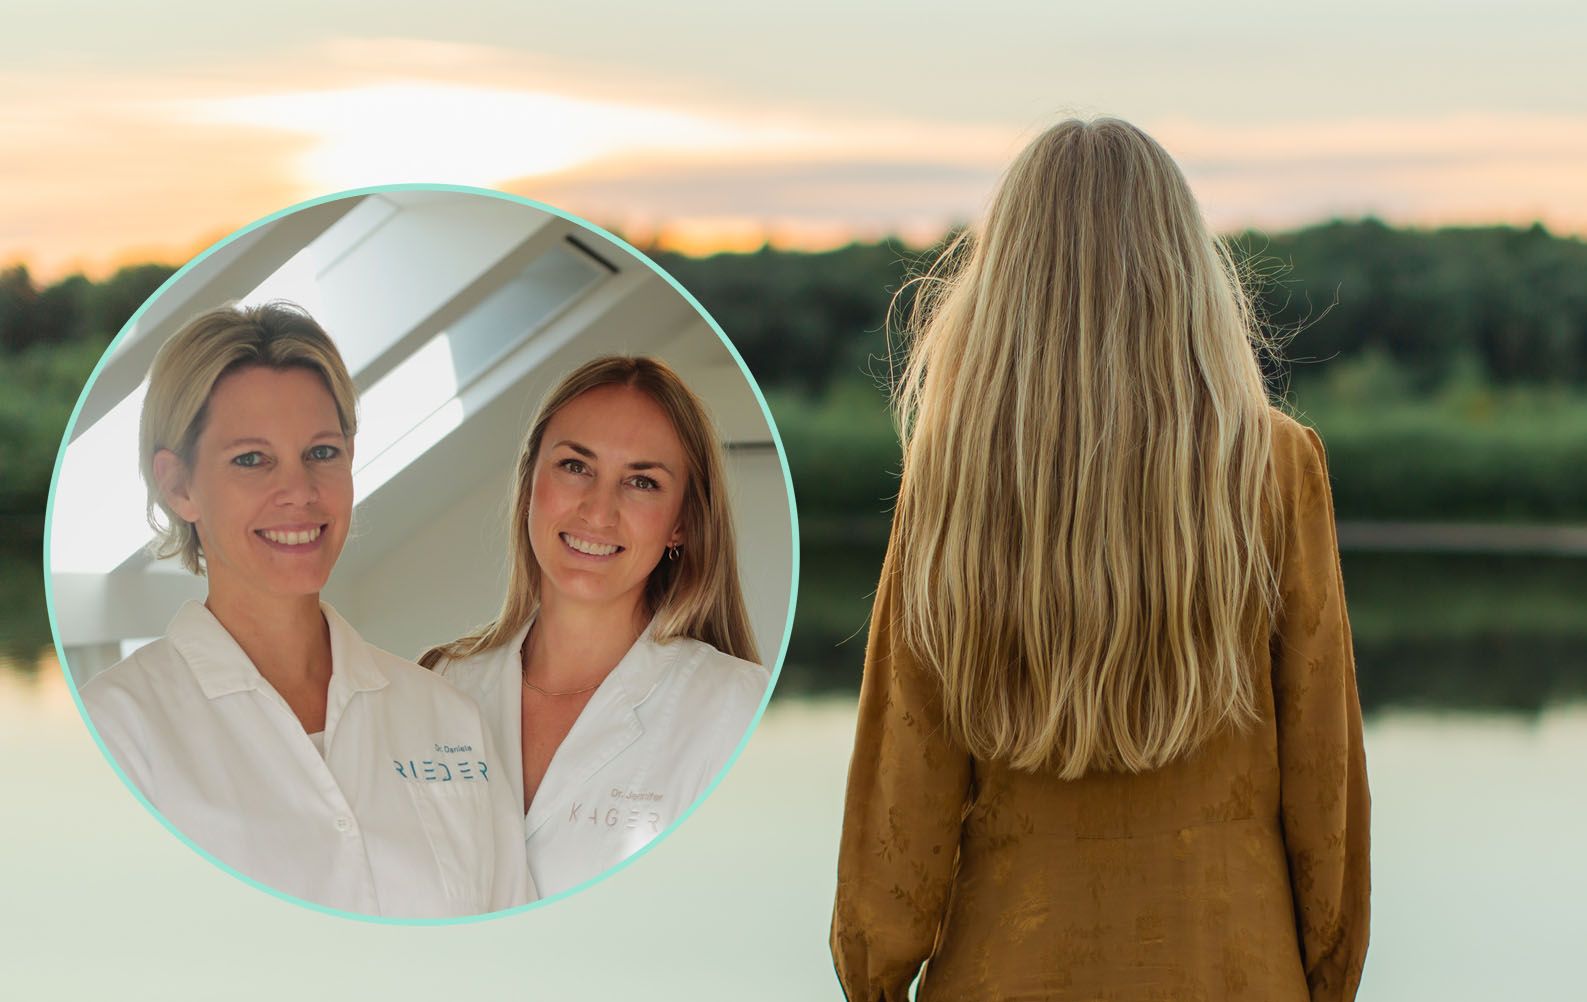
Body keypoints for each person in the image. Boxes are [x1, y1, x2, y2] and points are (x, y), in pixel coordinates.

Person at [830, 118, 1370, 1001]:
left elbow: (903, 791)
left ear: (1005, 278)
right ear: (1183, 268)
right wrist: (1325, 975)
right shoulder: (1272, 465)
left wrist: (875, 978)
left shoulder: (952, 475)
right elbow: (1326, 786)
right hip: (1231, 966)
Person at [80, 302, 532, 918]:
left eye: (321, 452)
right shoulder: (116, 733)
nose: (299, 491)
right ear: (179, 485)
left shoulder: (447, 720)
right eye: (250, 459)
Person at [421, 355, 769, 899]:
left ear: (682, 522)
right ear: (530, 481)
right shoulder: (438, 684)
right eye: (576, 467)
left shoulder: (737, 709)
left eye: (642, 482)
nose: (599, 511)